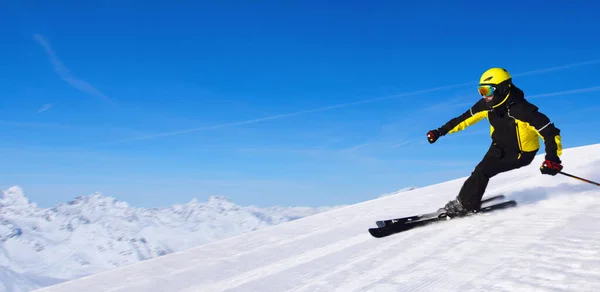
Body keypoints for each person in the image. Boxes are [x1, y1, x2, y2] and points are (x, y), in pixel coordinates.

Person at [426, 67, 564, 218]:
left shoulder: (523, 111)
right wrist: (440, 131)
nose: (484, 96)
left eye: (487, 91)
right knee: (479, 171)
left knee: (482, 171)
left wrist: (552, 158)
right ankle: (466, 201)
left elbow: (550, 133)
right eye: (481, 91)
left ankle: (465, 205)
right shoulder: (487, 106)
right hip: (498, 147)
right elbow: (463, 119)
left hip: (520, 153)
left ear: (502, 89)